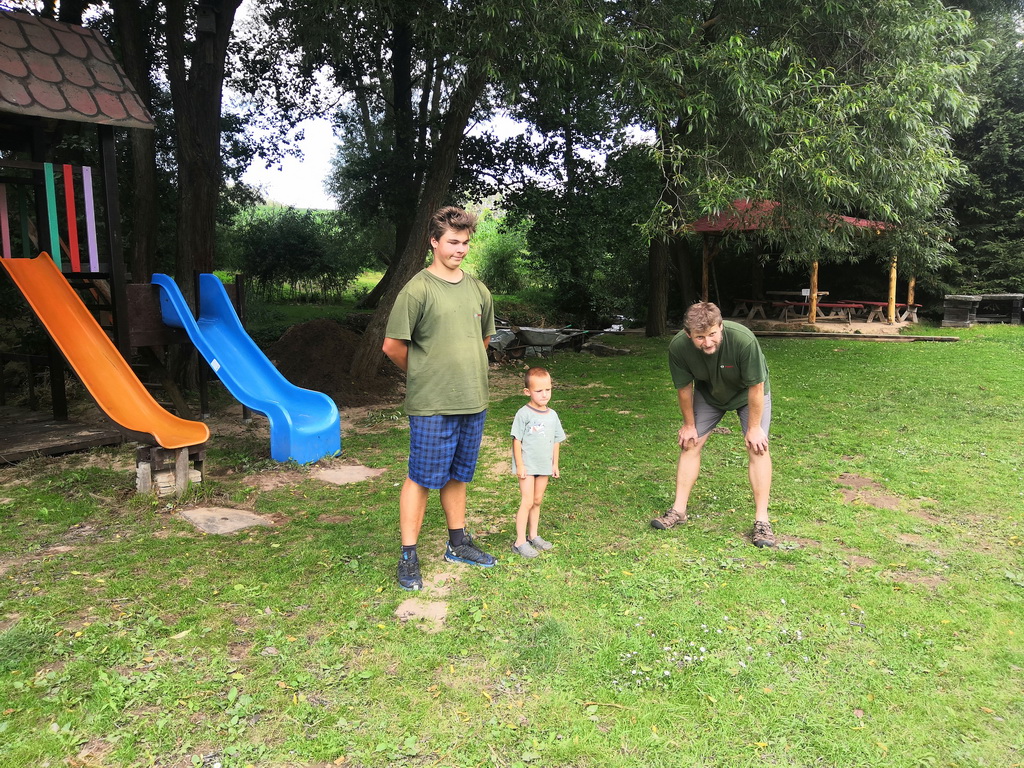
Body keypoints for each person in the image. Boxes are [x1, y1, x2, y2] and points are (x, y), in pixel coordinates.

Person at [382, 206, 497, 591]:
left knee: (459, 474)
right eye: (452, 242)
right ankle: (408, 555)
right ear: (434, 241)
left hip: (473, 400)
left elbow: (483, 340)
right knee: (421, 477)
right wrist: (426, 372)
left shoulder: (478, 290)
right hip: (432, 404)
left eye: (465, 242)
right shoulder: (417, 290)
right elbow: (392, 346)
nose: (460, 249)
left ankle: (457, 543)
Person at [650, 301, 776, 547]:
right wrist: (689, 425)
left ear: (721, 327)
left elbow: (756, 386)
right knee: (690, 443)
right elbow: (684, 389)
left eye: (712, 334)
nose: (707, 342)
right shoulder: (678, 347)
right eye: (699, 337)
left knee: (758, 447)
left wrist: (754, 428)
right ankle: (678, 511)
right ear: (688, 334)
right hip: (710, 395)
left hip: (748, 395)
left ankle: (762, 521)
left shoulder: (743, 340)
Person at [510, 367, 566, 558]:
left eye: (548, 390)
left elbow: (556, 440)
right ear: (527, 392)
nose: (544, 394)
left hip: (544, 465)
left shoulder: (552, 415)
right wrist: (520, 465)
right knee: (527, 501)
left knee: (537, 500)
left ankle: (533, 535)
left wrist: (554, 464)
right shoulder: (523, 414)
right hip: (527, 465)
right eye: (539, 390)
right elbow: (516, 440)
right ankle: (519, 542)